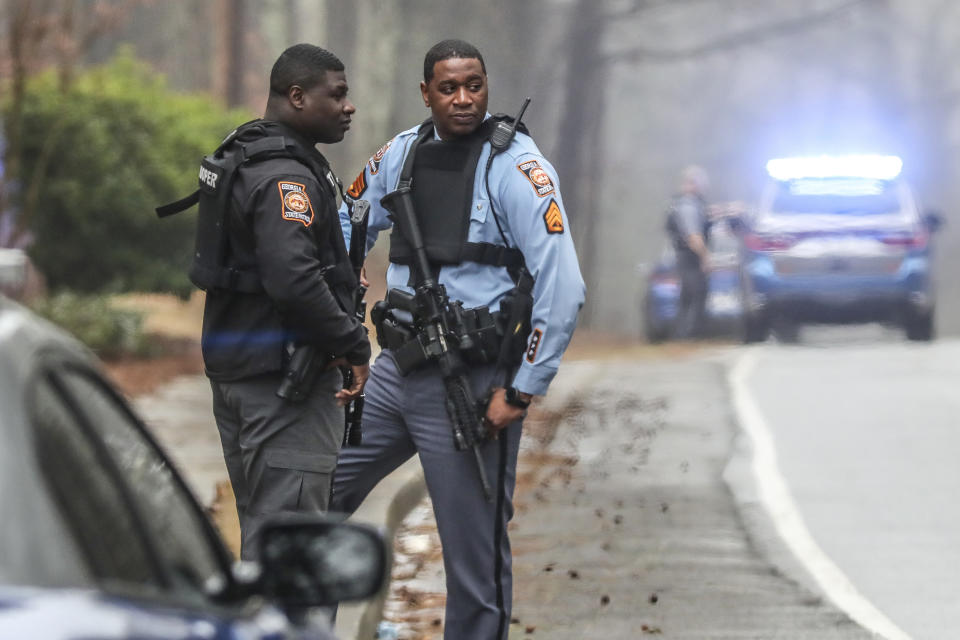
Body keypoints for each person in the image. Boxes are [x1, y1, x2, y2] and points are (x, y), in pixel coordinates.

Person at [331, 39, 585, 639]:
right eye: (448, 87)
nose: (464, 98)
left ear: (487, 86)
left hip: (471, 387)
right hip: (394, 374)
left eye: (474, 84)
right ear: (427, 93)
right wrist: (343, 305)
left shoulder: (519, 169)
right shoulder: (402, 154)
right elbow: (349, 221)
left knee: (473, 563)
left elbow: (562, 287)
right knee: (312, 496)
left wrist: (521, 390)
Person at [172, 44, 370, 560]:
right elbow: (293, 279)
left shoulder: (245, 151)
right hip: (284, 390)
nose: (349, 106)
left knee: (263, 541)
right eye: (339, 94)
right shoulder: (287, 177)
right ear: (298, 96)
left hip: (240, 375)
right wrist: (353, 344)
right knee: (293, 560)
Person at [666, 165, 711, 339]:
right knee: (695, 296)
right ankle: (688, 337)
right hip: (690, 258)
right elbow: (694, 237)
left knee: (686, 297)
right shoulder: (689, 206)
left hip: (683, 258)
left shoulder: (680, 204)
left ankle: (683, 336)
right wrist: (706, 257)